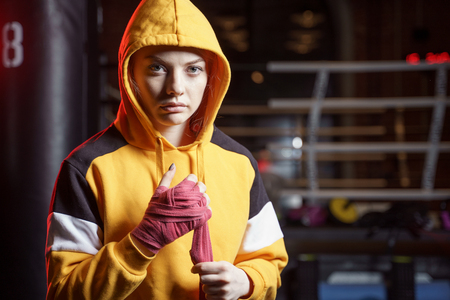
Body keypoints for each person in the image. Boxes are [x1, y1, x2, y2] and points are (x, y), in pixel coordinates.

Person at [45, 0, 288, 299]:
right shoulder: (88, 167)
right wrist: (141, 243)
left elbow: (269, 263)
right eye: (157, 67)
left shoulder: (239, 162)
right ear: (130, 73)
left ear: (211, 75)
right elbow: (63, 292)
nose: (176, 87)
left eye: (193, 69)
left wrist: (247, 282)